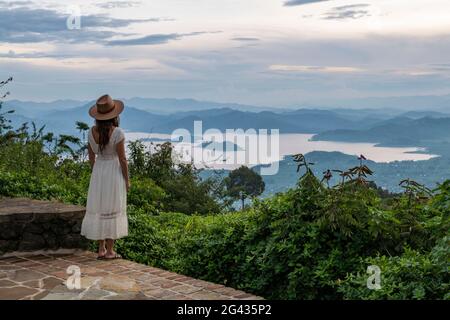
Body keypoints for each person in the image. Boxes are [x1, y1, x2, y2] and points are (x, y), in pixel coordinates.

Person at [81, 94, 130, 259]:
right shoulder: (117, 133)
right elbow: (122, 159)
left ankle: (100, 249)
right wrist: (127, 180)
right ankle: (110, 251)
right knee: (113, 207)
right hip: (113, 172)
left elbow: (91, 158)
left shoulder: (90, 132)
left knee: (100, 208)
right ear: (114, 115)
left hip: (99, 171)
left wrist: (97, 173)